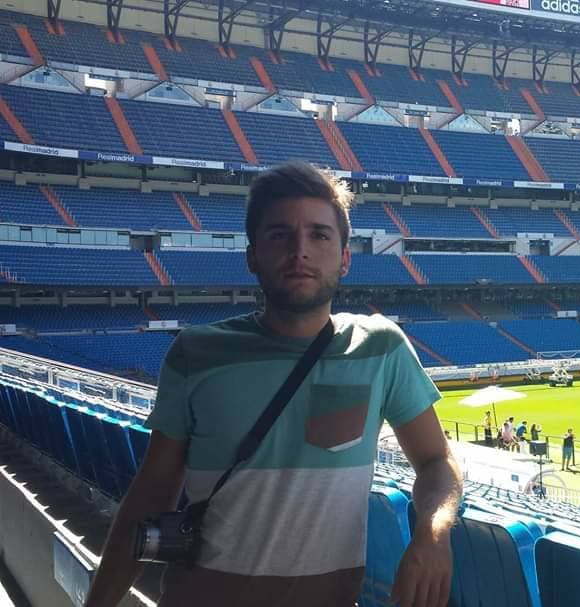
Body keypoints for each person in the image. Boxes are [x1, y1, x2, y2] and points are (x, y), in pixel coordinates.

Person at [85, 161, 462, 607]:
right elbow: (149, 497)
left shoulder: (381, 349)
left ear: (344, 257)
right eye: (280, 234)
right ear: (252, 255)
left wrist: (434, 533)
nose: (299, 251)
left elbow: (437, 460)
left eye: (319, 235)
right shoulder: (196, 354)